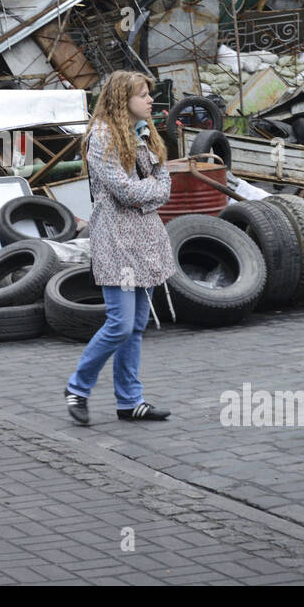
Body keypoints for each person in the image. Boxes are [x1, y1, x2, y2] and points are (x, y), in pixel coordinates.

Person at [65, 70, 175, 426]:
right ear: (121, 99)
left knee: (137, 323)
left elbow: (165, 181)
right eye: (143, 94)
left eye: (149, 94)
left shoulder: (142, 133)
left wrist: (150, 190)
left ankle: (130, 402)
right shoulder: (102, 137)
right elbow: (124, 190)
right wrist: (152, 192)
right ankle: (77, 388)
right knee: (121, 323)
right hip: (117, 241)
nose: (150, 100)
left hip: (144, 239)